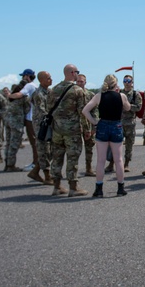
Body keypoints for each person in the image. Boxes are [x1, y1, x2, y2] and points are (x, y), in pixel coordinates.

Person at [81, 74, 132, 197]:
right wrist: (120, 96)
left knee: (100, 160)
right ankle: (120, 188)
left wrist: (94, 122)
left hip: (103, 125)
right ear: (116, 84)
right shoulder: (122, 96)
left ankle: (99, 188)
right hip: (116, 126)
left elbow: (85, 110)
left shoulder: (99, 96)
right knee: (119, 159)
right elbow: (128, 108)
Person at [48, 64, 88, 197]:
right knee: (72, 158)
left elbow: (49, 109)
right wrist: (87, 129)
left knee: (57, 158)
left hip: (57, 130)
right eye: (77, 72)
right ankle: (73, 187)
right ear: (72, 73)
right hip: (72, 130)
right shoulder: (77, 90)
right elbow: (82, 112)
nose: (77, 74)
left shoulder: (54, 89)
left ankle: (57, 186)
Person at [4, 69, 39, 173]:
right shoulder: (32, 88)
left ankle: (34, 163)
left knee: (13, 143)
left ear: (27, 76)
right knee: (14, 142)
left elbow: (19, 95)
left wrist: (9, 95)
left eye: (23, 76)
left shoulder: (29, 86)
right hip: (23, 119)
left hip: (29, 119)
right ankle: (10, 165)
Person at [108, 74, 142, 173]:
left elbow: (138, 107)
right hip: (119, 122)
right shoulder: (118, 93)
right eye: (125, 81)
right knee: (115, 144)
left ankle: (126, 164)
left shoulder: (136, 94)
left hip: (130, 123)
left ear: (132, 83)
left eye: (129, 81)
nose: (127, 83)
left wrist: (128, 106)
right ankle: (111, 164)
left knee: (129, 144)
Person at [29, 71, 55, 184]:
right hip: (42, 125)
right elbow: (42, 111)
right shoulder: (38, 94)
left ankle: (35, 171)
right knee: (44, 149)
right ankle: (47, 176)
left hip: (49, 123)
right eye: (48, 78)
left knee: (52, 149)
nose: (51, 79)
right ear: (41, 80)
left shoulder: (49, 91)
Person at [2, 83, 30, 172]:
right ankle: (11, 165)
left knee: (8, 143)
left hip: (8, 122)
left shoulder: (9, 97)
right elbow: (27, 109)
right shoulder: (23, 98)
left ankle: (7, 164)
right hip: (17, 123)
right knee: (14, 145)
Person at [76, 74, 96, 177]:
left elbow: (95, 111)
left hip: (88, 124)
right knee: (74, 149)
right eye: (78, 81)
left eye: (81, 82)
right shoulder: (73, 94)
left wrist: (93, 125)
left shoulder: (90, 94)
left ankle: (89, 168)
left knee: (89, 147)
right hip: (76, 125)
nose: (79, 83)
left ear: (85, 82)